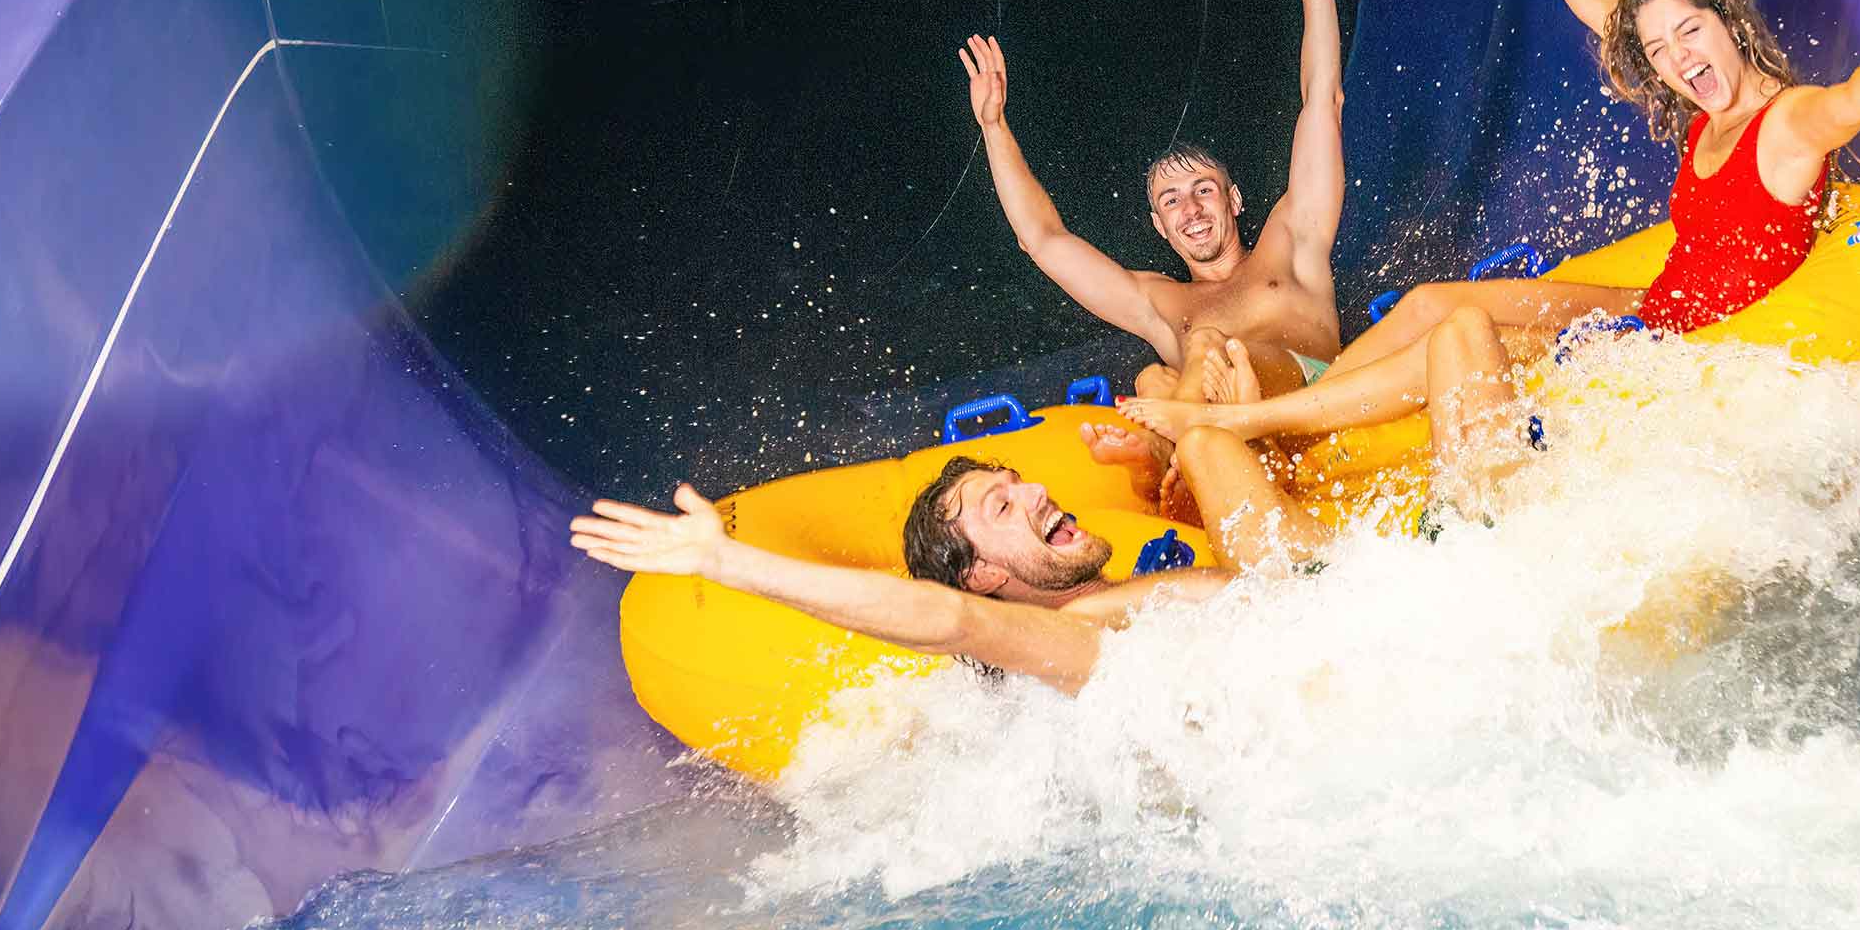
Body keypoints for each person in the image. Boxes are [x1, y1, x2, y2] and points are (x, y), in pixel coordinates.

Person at [1117, 0, 1860, 450]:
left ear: (1729, 24)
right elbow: (1602, 2)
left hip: (1674, 339)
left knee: (1461, 338)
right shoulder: (1698, 107)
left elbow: (1840, 107)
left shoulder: (1779, 124)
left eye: (1690, 34)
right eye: (1660, 49)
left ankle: (1258, 423)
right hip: (1653, 300)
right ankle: (1316, 395)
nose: (1674, 60)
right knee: (1430, 300)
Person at [570, 311, 1534, 693]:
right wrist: (722, 560)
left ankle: (1233, 424)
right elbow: (940, 617)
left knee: (1463, 333)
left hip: (1402, 586)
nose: (1032, 487)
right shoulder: (1072, 642)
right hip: (1404, 641)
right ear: (987, 574)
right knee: (1206, 434)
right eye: (999, 506)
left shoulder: (1143, 588)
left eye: (1014, 480)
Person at [960, 0, 1347, 409]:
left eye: (1203, 190)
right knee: (1152, 381)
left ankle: (1185, 436)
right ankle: (1176, 461)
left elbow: (1321, 99)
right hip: (1223, 432)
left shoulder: (1292, 239)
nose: (1190, 210)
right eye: (1171, 202)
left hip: (1316, 401)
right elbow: (1042, 239)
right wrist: (993, 125)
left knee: (1206, 352)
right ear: (1159, 226)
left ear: (1234, 200)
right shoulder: (1159, 302)